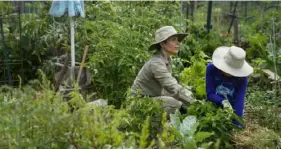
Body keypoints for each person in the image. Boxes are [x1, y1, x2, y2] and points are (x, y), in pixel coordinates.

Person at [130, 26, 196, 114]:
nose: (178, 43)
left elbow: (169, 89)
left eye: (177, 40)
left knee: (180, 100)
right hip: (139, 103)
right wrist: (195, 103)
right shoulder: (156, 63)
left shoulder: (167, 59)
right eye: (173, 39)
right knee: (174, 104)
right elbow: (172, 86)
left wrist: (188, 97)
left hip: (152, 98)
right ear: (162, 44)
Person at [205, 46, 253, 126]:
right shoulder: (211, 69)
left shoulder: (242, 79)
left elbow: (239, 101)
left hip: (232, 109)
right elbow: (210, 93)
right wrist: (222, 101)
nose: (229, 73)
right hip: (213, 105)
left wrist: (237, 123)